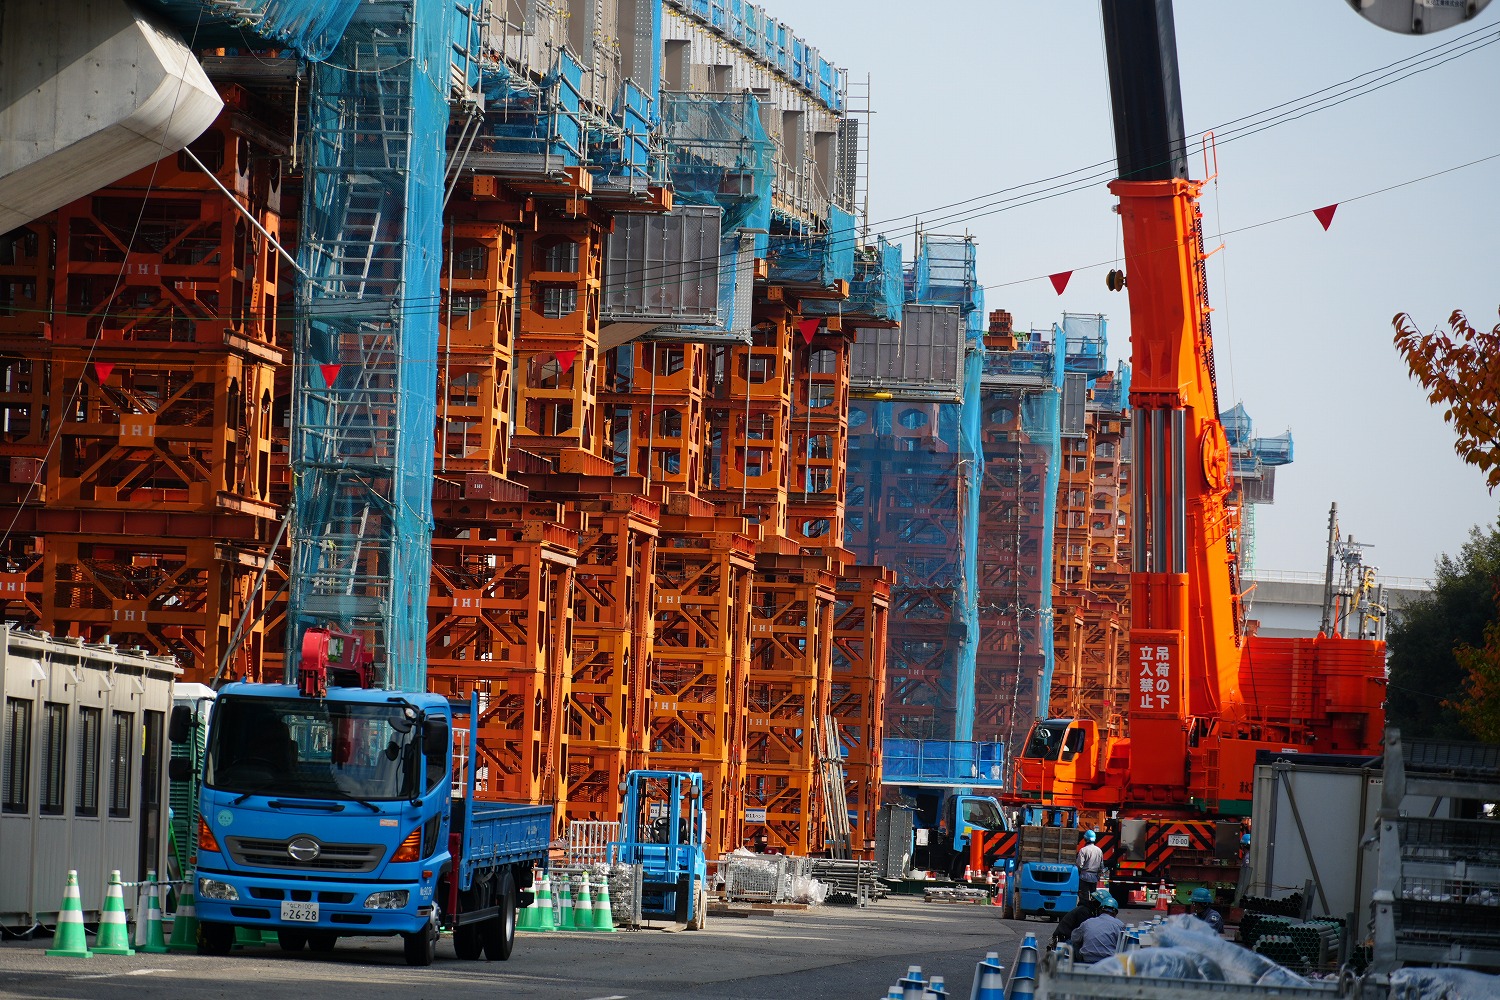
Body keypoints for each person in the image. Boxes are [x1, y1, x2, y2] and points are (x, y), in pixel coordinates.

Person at [1071, 893, 1125, 963]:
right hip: (1108, 961)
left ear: (1100, 910)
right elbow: (1124, 945)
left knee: (1072, 943)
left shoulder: (1088, 922)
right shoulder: (1119, 925)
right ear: (1115, 913)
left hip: (1087, 960)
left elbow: (1074, 938)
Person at [1076, 828, 1105, 904]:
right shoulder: (1099, 851)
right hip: (1094, 877)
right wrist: (1098, 875)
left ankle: (1084, 910)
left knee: (1084, 897)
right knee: (1094, 896)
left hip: (1084, 877)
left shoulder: (1083, 850)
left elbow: (1079, 865)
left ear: (1085, 839)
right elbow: (1101, 866)